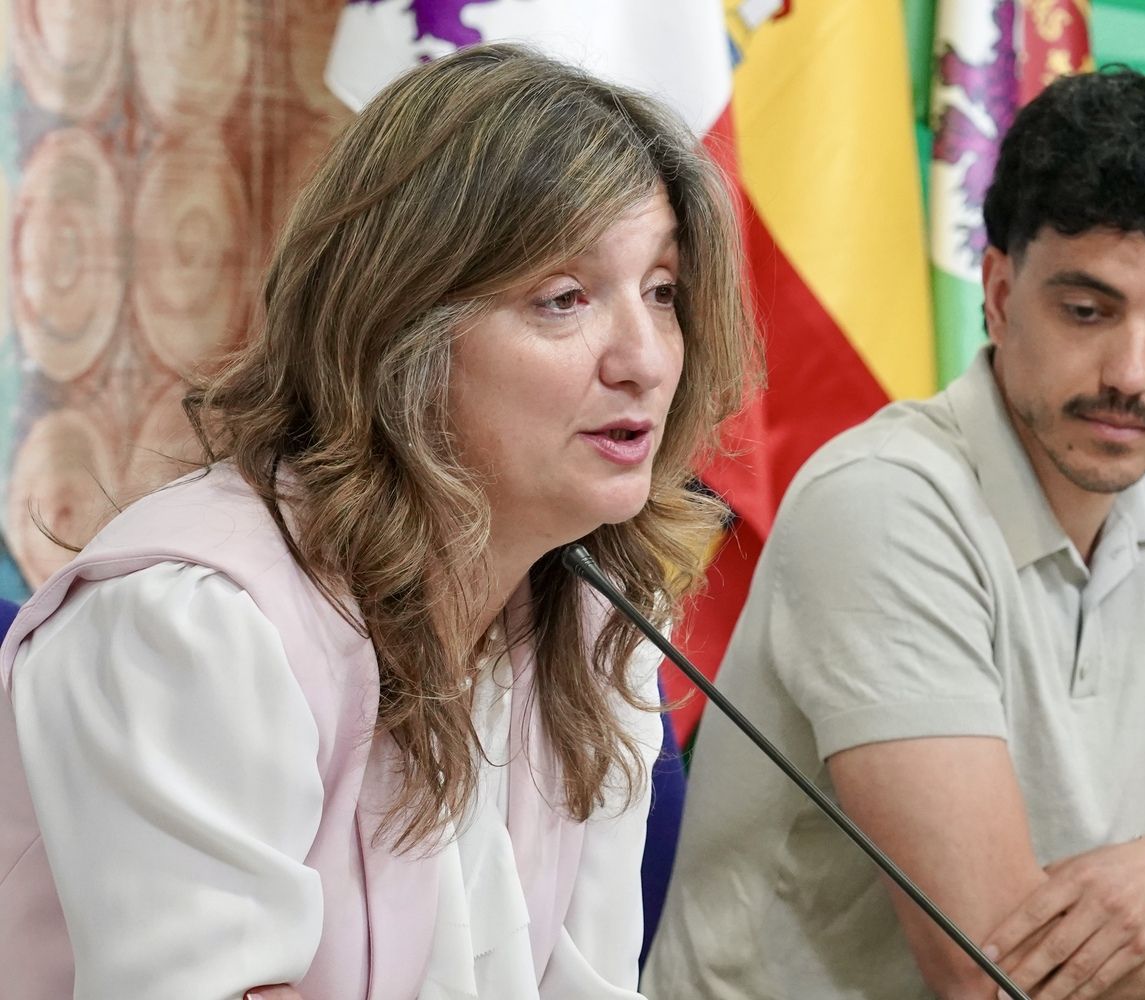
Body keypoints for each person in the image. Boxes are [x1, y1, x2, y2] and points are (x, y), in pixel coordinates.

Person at [0, 43, 753, 1000]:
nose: (644, 359)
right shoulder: (196, 631)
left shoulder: (597, 616)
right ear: (398, 329)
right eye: (564, 300)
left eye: (662, 292)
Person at [644, 66, 1145, 1000]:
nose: (1131, 373)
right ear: (1000, 292)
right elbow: (995, 976)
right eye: (1086, 311)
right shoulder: (886, 503)